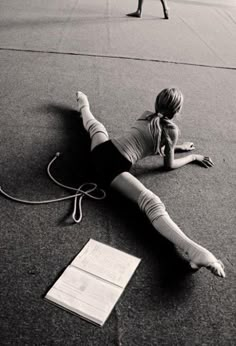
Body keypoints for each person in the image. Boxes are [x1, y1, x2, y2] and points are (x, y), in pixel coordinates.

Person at [76, 89, 225, 278]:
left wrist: (176, 147)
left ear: (156, 104)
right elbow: (168, 164)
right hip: (113, 169)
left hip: (102, 151)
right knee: (151, 202)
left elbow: (149, 144)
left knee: (96, 127)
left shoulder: (146, 115)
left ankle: (83, 103)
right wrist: (192, 156)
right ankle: (194, 251)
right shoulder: (171, 130)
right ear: (177, 112)